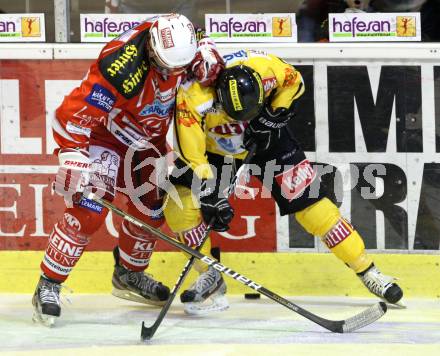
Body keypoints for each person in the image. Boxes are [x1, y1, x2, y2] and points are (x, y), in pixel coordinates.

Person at [163, 49, 404, 315]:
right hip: (216, 153)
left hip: (269, 142)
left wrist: (273, 116)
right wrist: (209, 192)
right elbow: (193, 154)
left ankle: (368, 270)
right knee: (180, 207)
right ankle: (210, 275)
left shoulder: (263, 66)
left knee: (314, 208)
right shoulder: (192, 97)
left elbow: (294, 82)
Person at [32, 13, 224, 326]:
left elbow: (202, 43)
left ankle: (128, 274)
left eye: (180, 66)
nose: (173, 73)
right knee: (89, 210)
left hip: (148, 144)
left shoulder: (179, 37)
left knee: (152, 210)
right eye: (167, 66)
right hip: (107, 140)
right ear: (151, 50)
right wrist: (72, 156)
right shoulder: (120, 68)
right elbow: (68, 117)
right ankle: (48, 284)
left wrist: (211, 56)